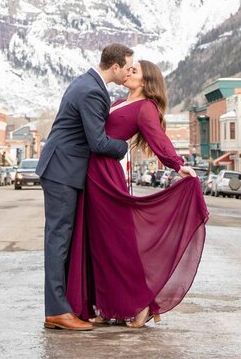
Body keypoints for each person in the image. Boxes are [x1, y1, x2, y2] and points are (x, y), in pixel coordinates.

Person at [66, 59, 209, 329]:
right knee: (97, 243)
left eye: (134, 71)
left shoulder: (146, 108)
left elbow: (159, 140)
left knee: (118, 243)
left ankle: (142, 303)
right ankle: (107, 306)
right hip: (91, 171)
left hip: (106, 175)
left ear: (146, 81)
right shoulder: (120, 102)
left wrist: (178, 165)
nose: (128, 73)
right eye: (128, 69)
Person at [37, 44, 133, 332]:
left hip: (63, 168)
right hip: (62, 171)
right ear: (114, 67)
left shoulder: (86, 82)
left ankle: (65, 307)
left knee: (62, 238)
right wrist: (125, 146)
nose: (130, 71)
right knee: (58, 239)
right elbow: (99, 142)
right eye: (128, 66)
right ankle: (56, 311)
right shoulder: (91, 91)